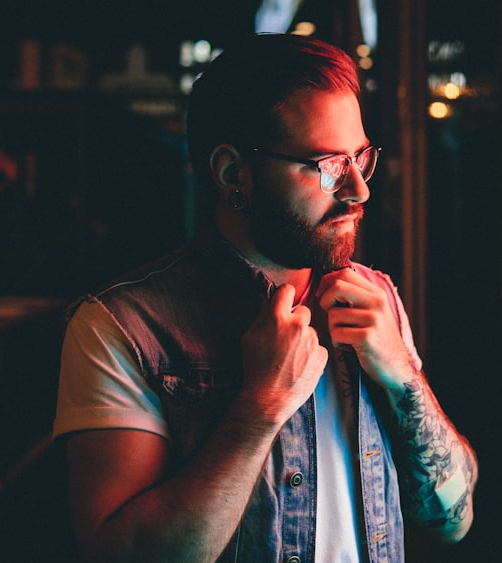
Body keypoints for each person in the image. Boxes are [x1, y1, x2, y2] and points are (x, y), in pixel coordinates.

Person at [53, 32, 477, 562]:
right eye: (326, 165)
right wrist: (258, 408)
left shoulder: (376, 299)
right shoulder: (120, 328)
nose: (359, 191)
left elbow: (454, 519)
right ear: (235, 175)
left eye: (360, 158)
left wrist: (401, 375)